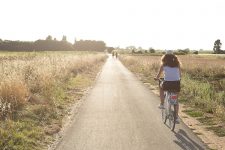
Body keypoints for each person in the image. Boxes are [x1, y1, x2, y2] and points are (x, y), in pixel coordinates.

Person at [154, 50, 181, 123]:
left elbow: (159, 75)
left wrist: (156, 78)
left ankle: (162, 104)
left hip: (167, 84)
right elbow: (180, 75)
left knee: (161, 87)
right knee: (176, 100)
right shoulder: (177, 64)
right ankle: (176, 117)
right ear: (173, 56)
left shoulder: (164, 64)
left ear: (165, 56)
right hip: (176, 84)